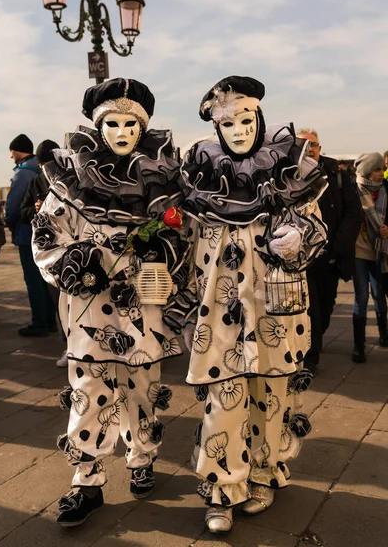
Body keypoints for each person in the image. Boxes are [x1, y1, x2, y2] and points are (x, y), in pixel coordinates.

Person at [170, 76, 327, 533]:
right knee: (224, 400)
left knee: (273, 396)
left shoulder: (286, 173)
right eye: (229, 123)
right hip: (218, 313)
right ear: (216, 130)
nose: (239, 130)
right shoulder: (199, 179)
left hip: (276, 310)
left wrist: (301, 240)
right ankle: (221, 488)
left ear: (259, 120)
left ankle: (263, 475)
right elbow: (180, 240)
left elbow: (313, 231)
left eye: (247, 120)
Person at [32, 78, 187, 527]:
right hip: (88, 308)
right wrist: (83, 262)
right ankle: (86, 479)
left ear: (144, 129)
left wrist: (164, 251)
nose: (121, 133)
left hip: (143, 308)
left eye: (131, 124)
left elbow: (185, 237)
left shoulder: (160, 180)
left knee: (141, 389)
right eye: (112, 124)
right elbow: (47, 239)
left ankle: (141, 458)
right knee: (89, 391)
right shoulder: (70, 181)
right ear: (97, 127)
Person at [296, 129, 362, 374]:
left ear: (320, 148)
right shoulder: (287, 175)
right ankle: (309, 357)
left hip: (330, 255)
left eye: (312, 145)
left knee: (326, 303)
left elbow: (354, 213)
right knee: (309, 306)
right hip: (302, 258)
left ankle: (315, 339)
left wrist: (337, 248)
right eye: (302, 145)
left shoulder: (337, 175)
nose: (308, 149)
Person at [5, 134, 58, 336]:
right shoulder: (42, 171)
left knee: (33, 281)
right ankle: (50, 320)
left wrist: (11, 225)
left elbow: (14, 209)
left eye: (11, 152)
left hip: (28, 235)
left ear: (18, 151)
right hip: (49, 237)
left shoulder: (23, 175)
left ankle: (40, 323)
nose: (11, 157)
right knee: (46, 280)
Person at [20, 140, 67, 367]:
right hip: (49, 248)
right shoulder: (36, 182)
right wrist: (35, 210)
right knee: (59, 301)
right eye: (43, 166)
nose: (46, 170)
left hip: (71, 244)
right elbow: (23, 210)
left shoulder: (70, 178)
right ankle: (69, 347)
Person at [352, 152, 388, 362]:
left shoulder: (386, 189)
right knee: (361, 296)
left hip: (380, 250)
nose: (381, 173)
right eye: (376, 169)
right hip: (359, 250)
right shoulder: (353, 189)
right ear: (366, 170)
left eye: (381, 168)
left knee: (379, 293)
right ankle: (359, 345)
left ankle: (384, 334)